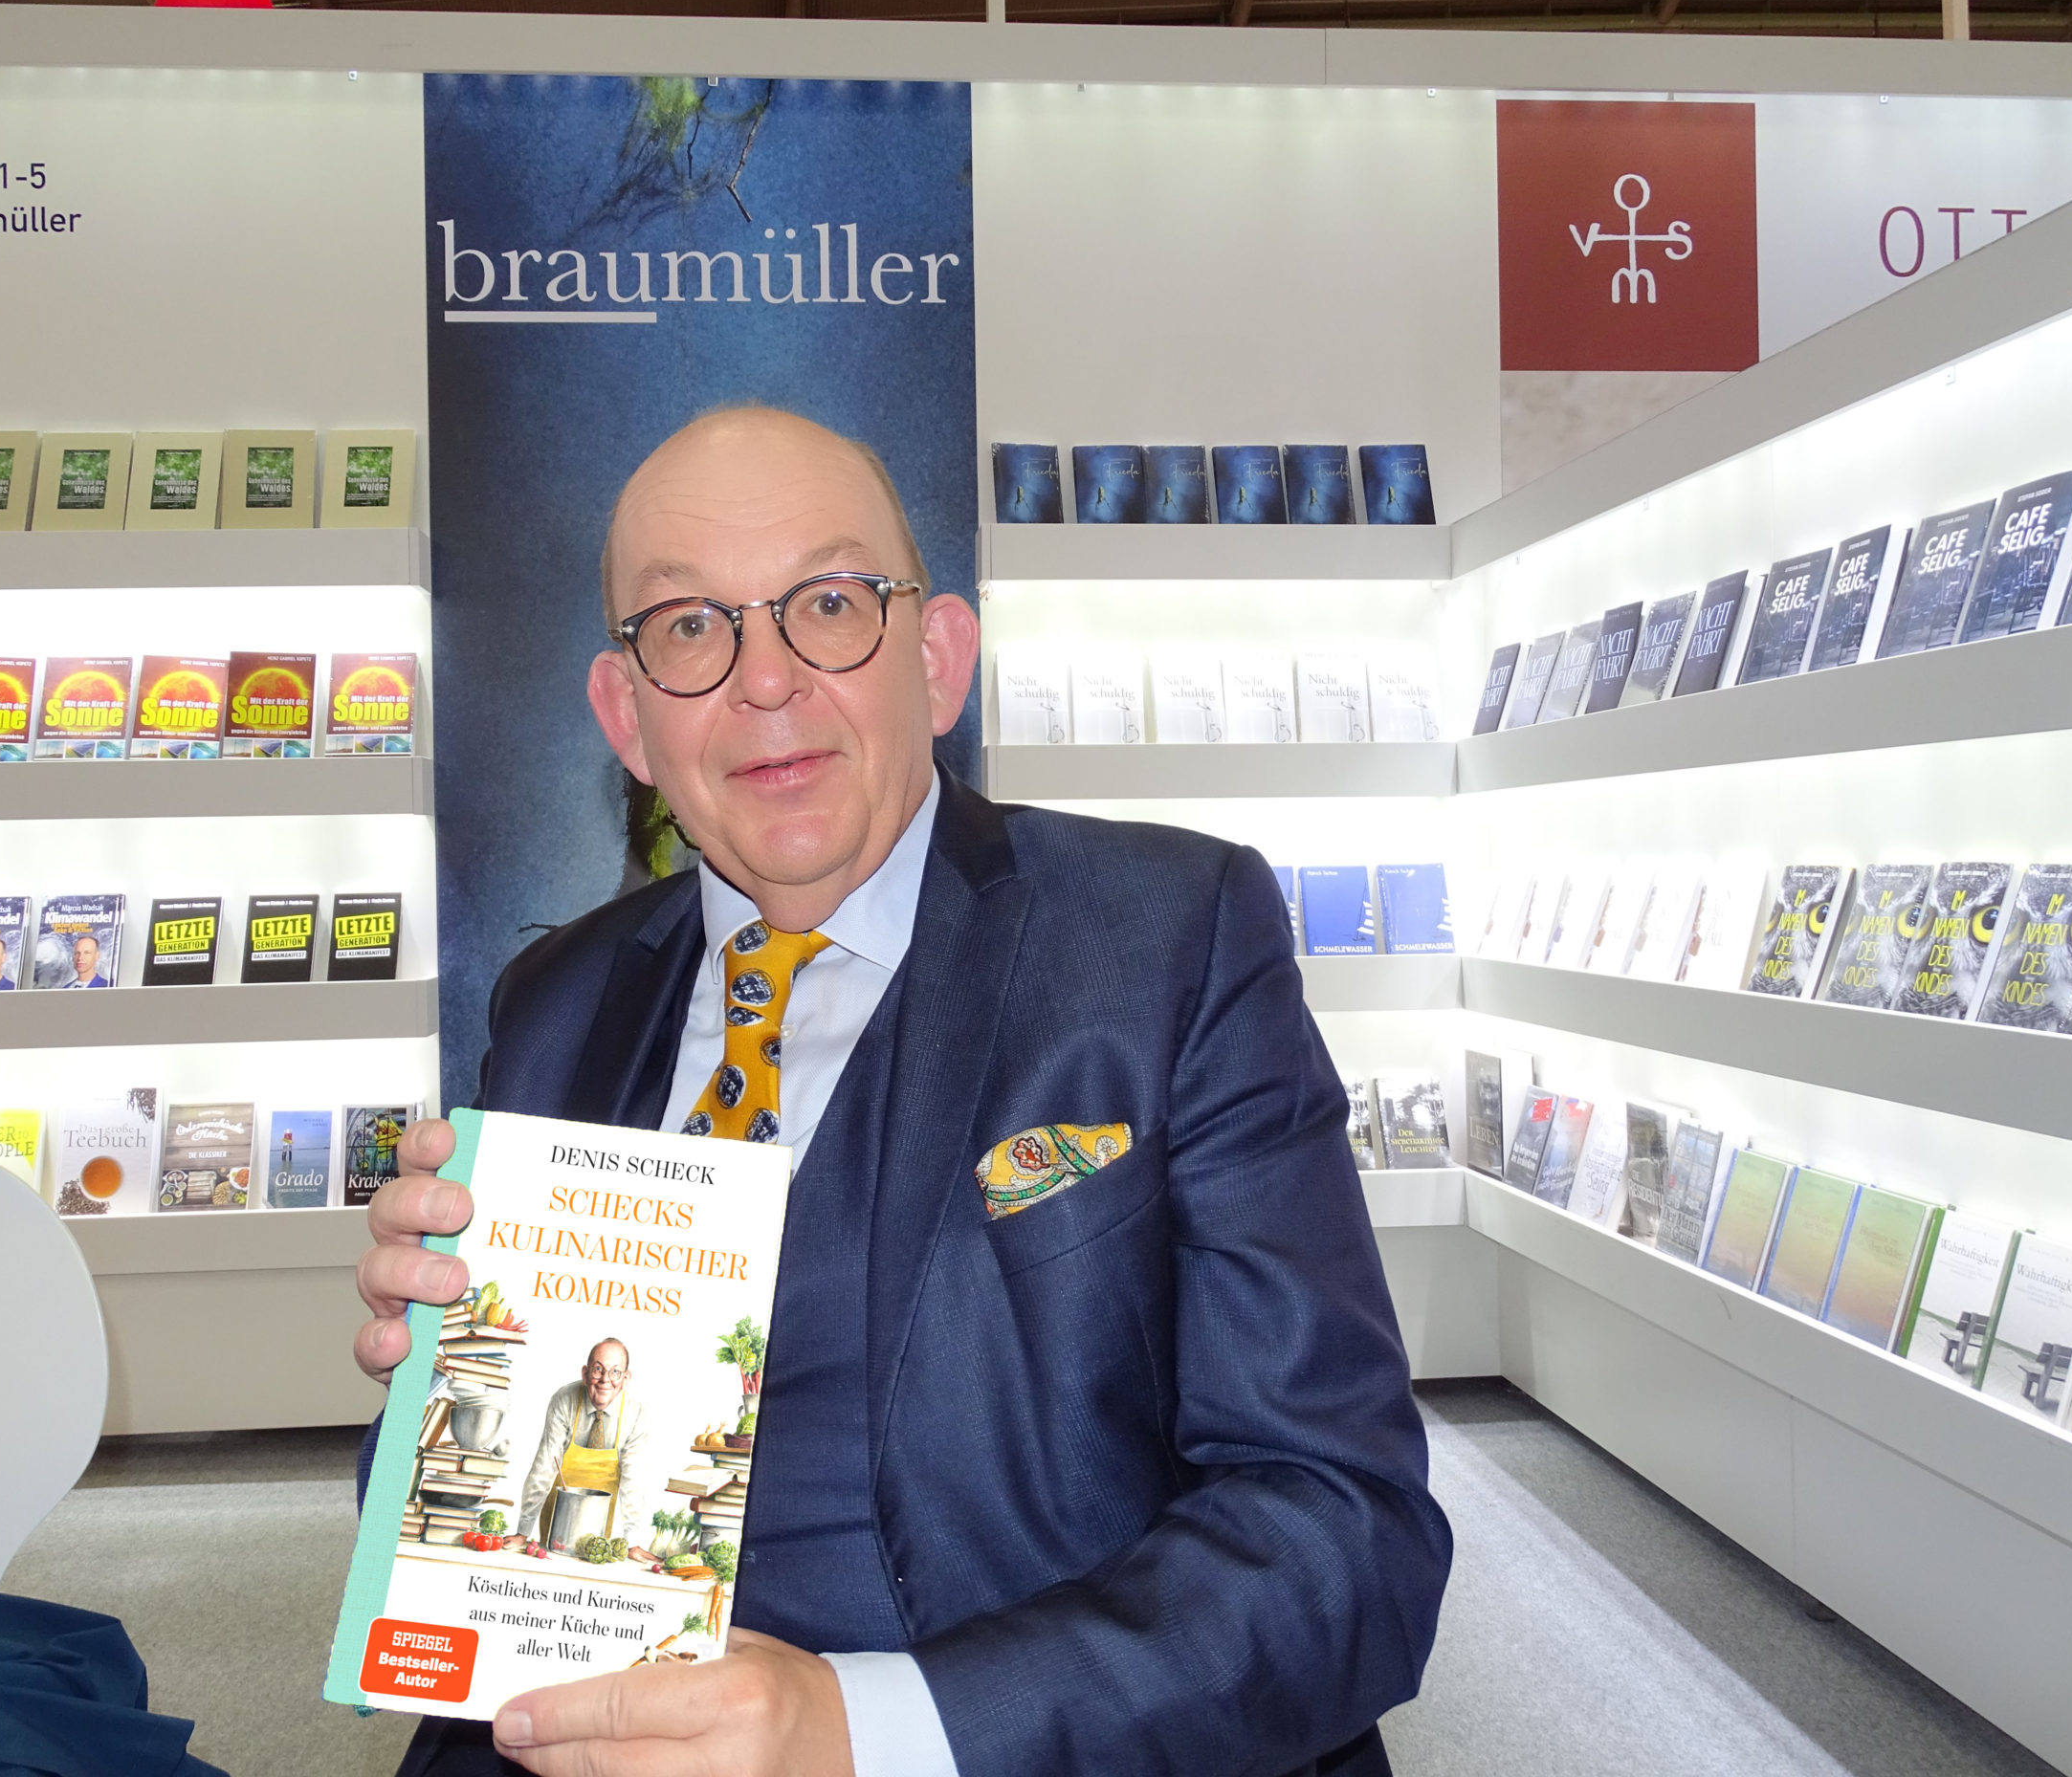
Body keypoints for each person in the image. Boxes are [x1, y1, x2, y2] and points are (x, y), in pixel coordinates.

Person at [355, 406, 1448, 1777]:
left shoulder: (1170, 938)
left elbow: (1342, 1532)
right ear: (628, 717)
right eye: (689, 627)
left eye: (828, 604)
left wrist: (864, 1731)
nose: (765, 681)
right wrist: (433, 1385)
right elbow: (475, 1547)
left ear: (937, 661)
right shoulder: (555, 1001)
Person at [512, 1338, 654, 1559]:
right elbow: (545, 1464)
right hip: (557, 1515)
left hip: (599, 1521)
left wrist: (632, 1542)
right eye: (598, 1369)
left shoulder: (635, 1413)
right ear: (585, 1373)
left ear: (626, 1378)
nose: (605, 1380)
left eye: (615, 1372)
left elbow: (633, 1479)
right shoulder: (564, 1399)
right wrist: (523, 1531)